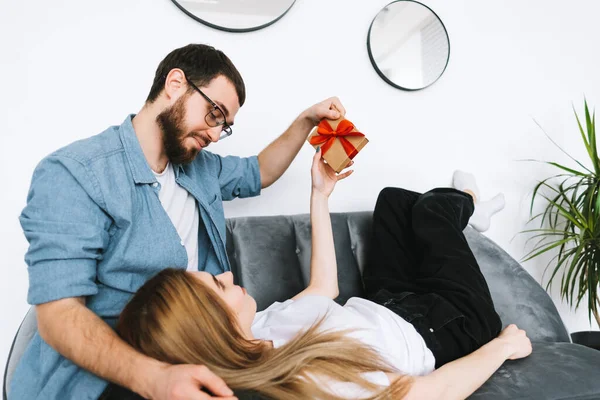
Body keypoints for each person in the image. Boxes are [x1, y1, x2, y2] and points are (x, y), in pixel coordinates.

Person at [12, 43, 347, 400]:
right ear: (175, 84)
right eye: (214, 113)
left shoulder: (198, 167)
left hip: (196, 350)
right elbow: (59, 315)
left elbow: (260, 171)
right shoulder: (75, 173)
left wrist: (306, 121)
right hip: (109, 376)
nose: (216, 133)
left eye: (225, 126)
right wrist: (154, 378)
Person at [114, 147, 532, 400]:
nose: (225, 276)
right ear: (209, 327)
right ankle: (471, 204)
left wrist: (320, 192)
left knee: (392, 201)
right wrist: (502, 346)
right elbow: (431, 393)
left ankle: (460, 212)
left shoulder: (260, 325)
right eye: (215, 287)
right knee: (430, 212)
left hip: (386, 305)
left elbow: (323, 288)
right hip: (448, 325)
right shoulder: (299, 377)